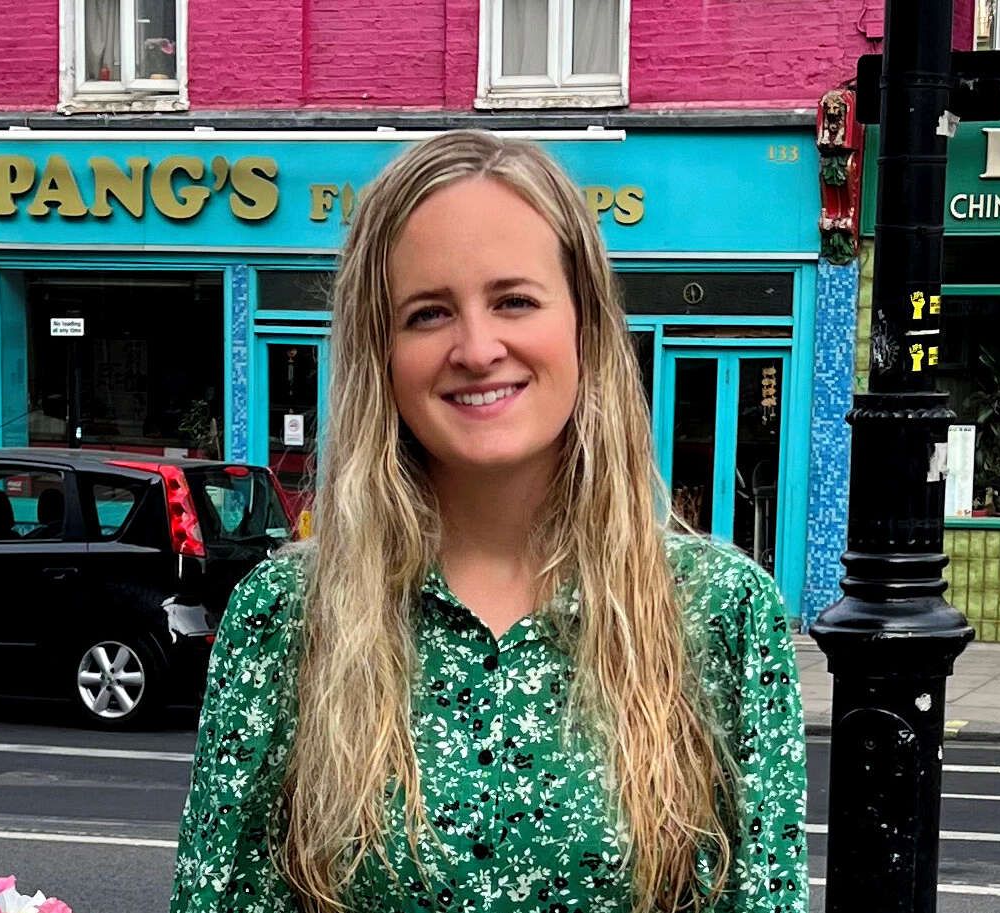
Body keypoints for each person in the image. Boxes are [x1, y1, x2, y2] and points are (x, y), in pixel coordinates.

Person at [170, 130, 807, 913]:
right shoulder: (285, 617)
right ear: (381, 352)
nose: (476, 348)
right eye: (428, 313)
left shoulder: (719, 611)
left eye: (514, 300)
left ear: (585, 325)